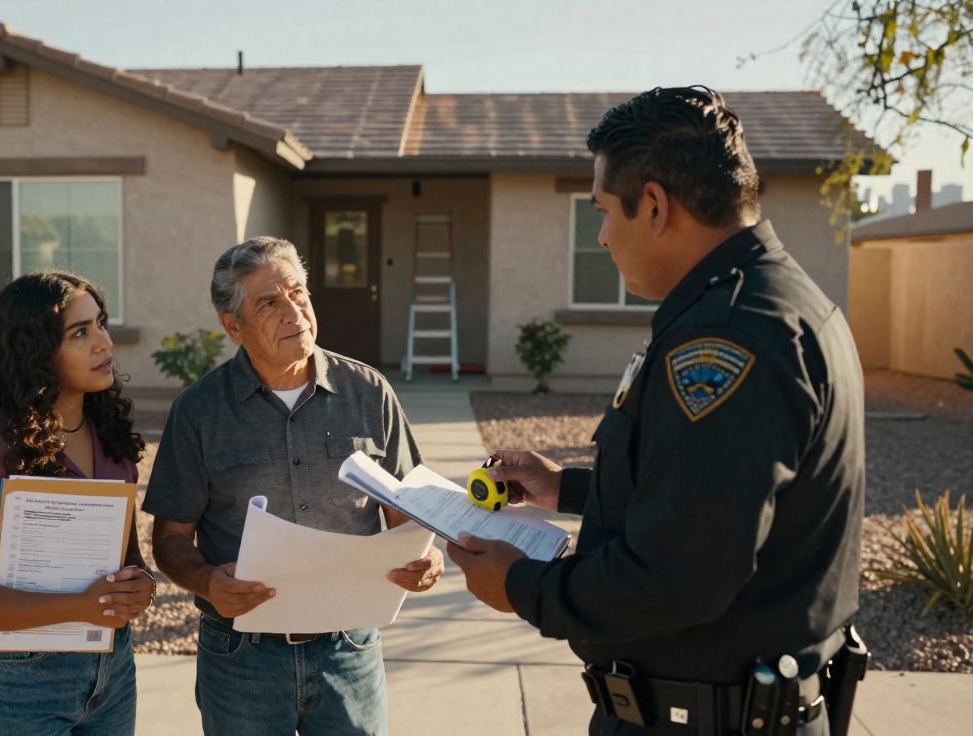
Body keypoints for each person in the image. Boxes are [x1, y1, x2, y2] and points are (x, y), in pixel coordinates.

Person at [447, 87, 866, 736]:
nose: (602, 237)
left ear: (654, 206)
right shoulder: (779, 301)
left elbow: (678, 575)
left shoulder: (727, 338)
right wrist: (567, 488)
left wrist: (522, 586)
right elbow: (710, 497)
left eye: (603, 211)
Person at [142, 236, 444, 736]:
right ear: (232, 326)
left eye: (298, 292)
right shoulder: (198, 412)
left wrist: (424, 559)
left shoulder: (370, 392)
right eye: (268, 303)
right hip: (241, 658)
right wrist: (208, 582)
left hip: (350, 648)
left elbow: (409, 519)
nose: (293, 312)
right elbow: (170, 540)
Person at [0, 271, 156, 736]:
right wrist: (80, 605)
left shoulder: (112, 439)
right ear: (36, 351)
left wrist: (140, 585)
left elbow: (128, 559)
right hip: (23, 685)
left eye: (101, 323)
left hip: (113, 672)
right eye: (80, 333)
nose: (104, 342)